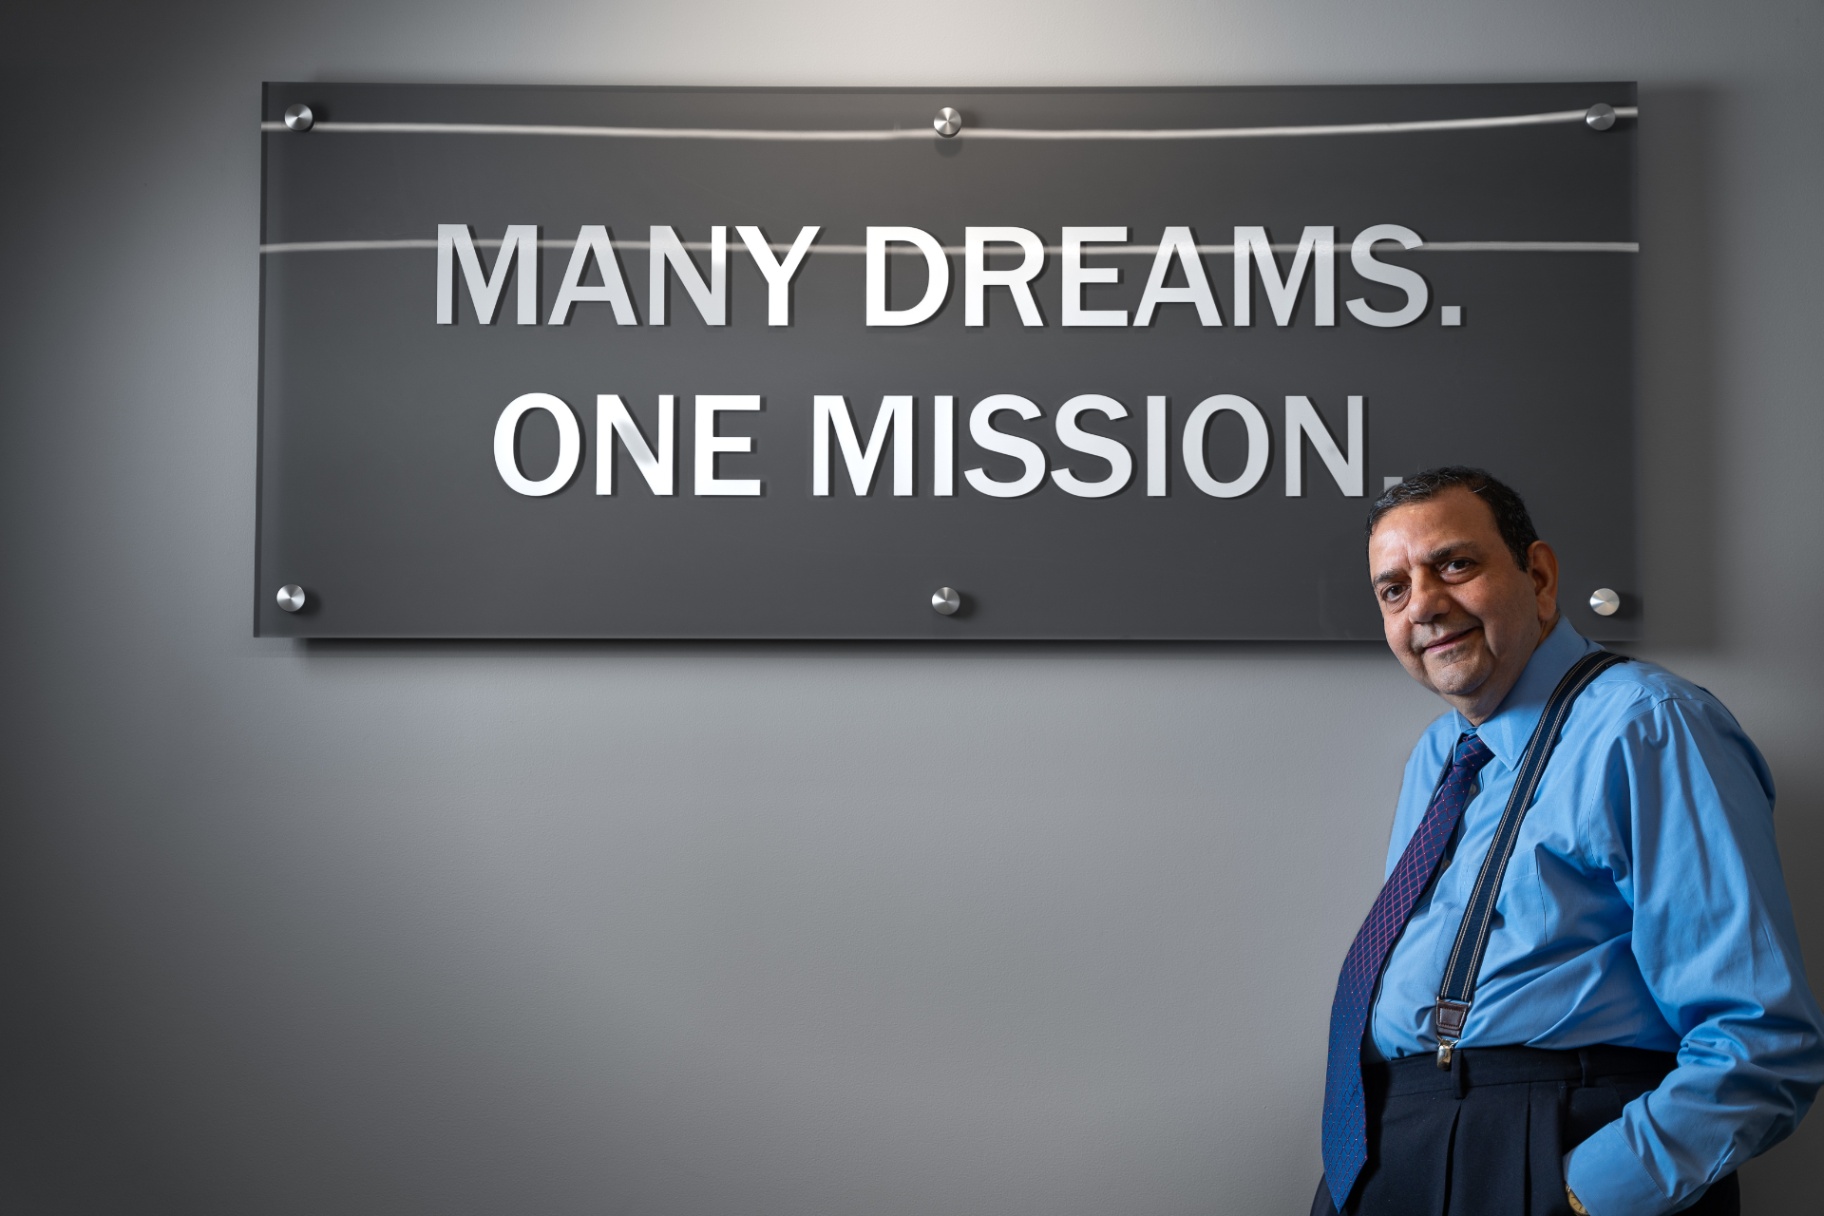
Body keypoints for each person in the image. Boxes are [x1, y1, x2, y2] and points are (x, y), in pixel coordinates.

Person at [1313, 467, 1824, 1216]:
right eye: (1394, 589)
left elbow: (1760, 1038)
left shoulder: (1648, 725)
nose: (1423, 604)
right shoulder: (1439, 756)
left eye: (1455, 564)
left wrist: (1580, 1195)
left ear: (1539, 575)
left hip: (1545, 1149)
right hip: (1396, 1155)